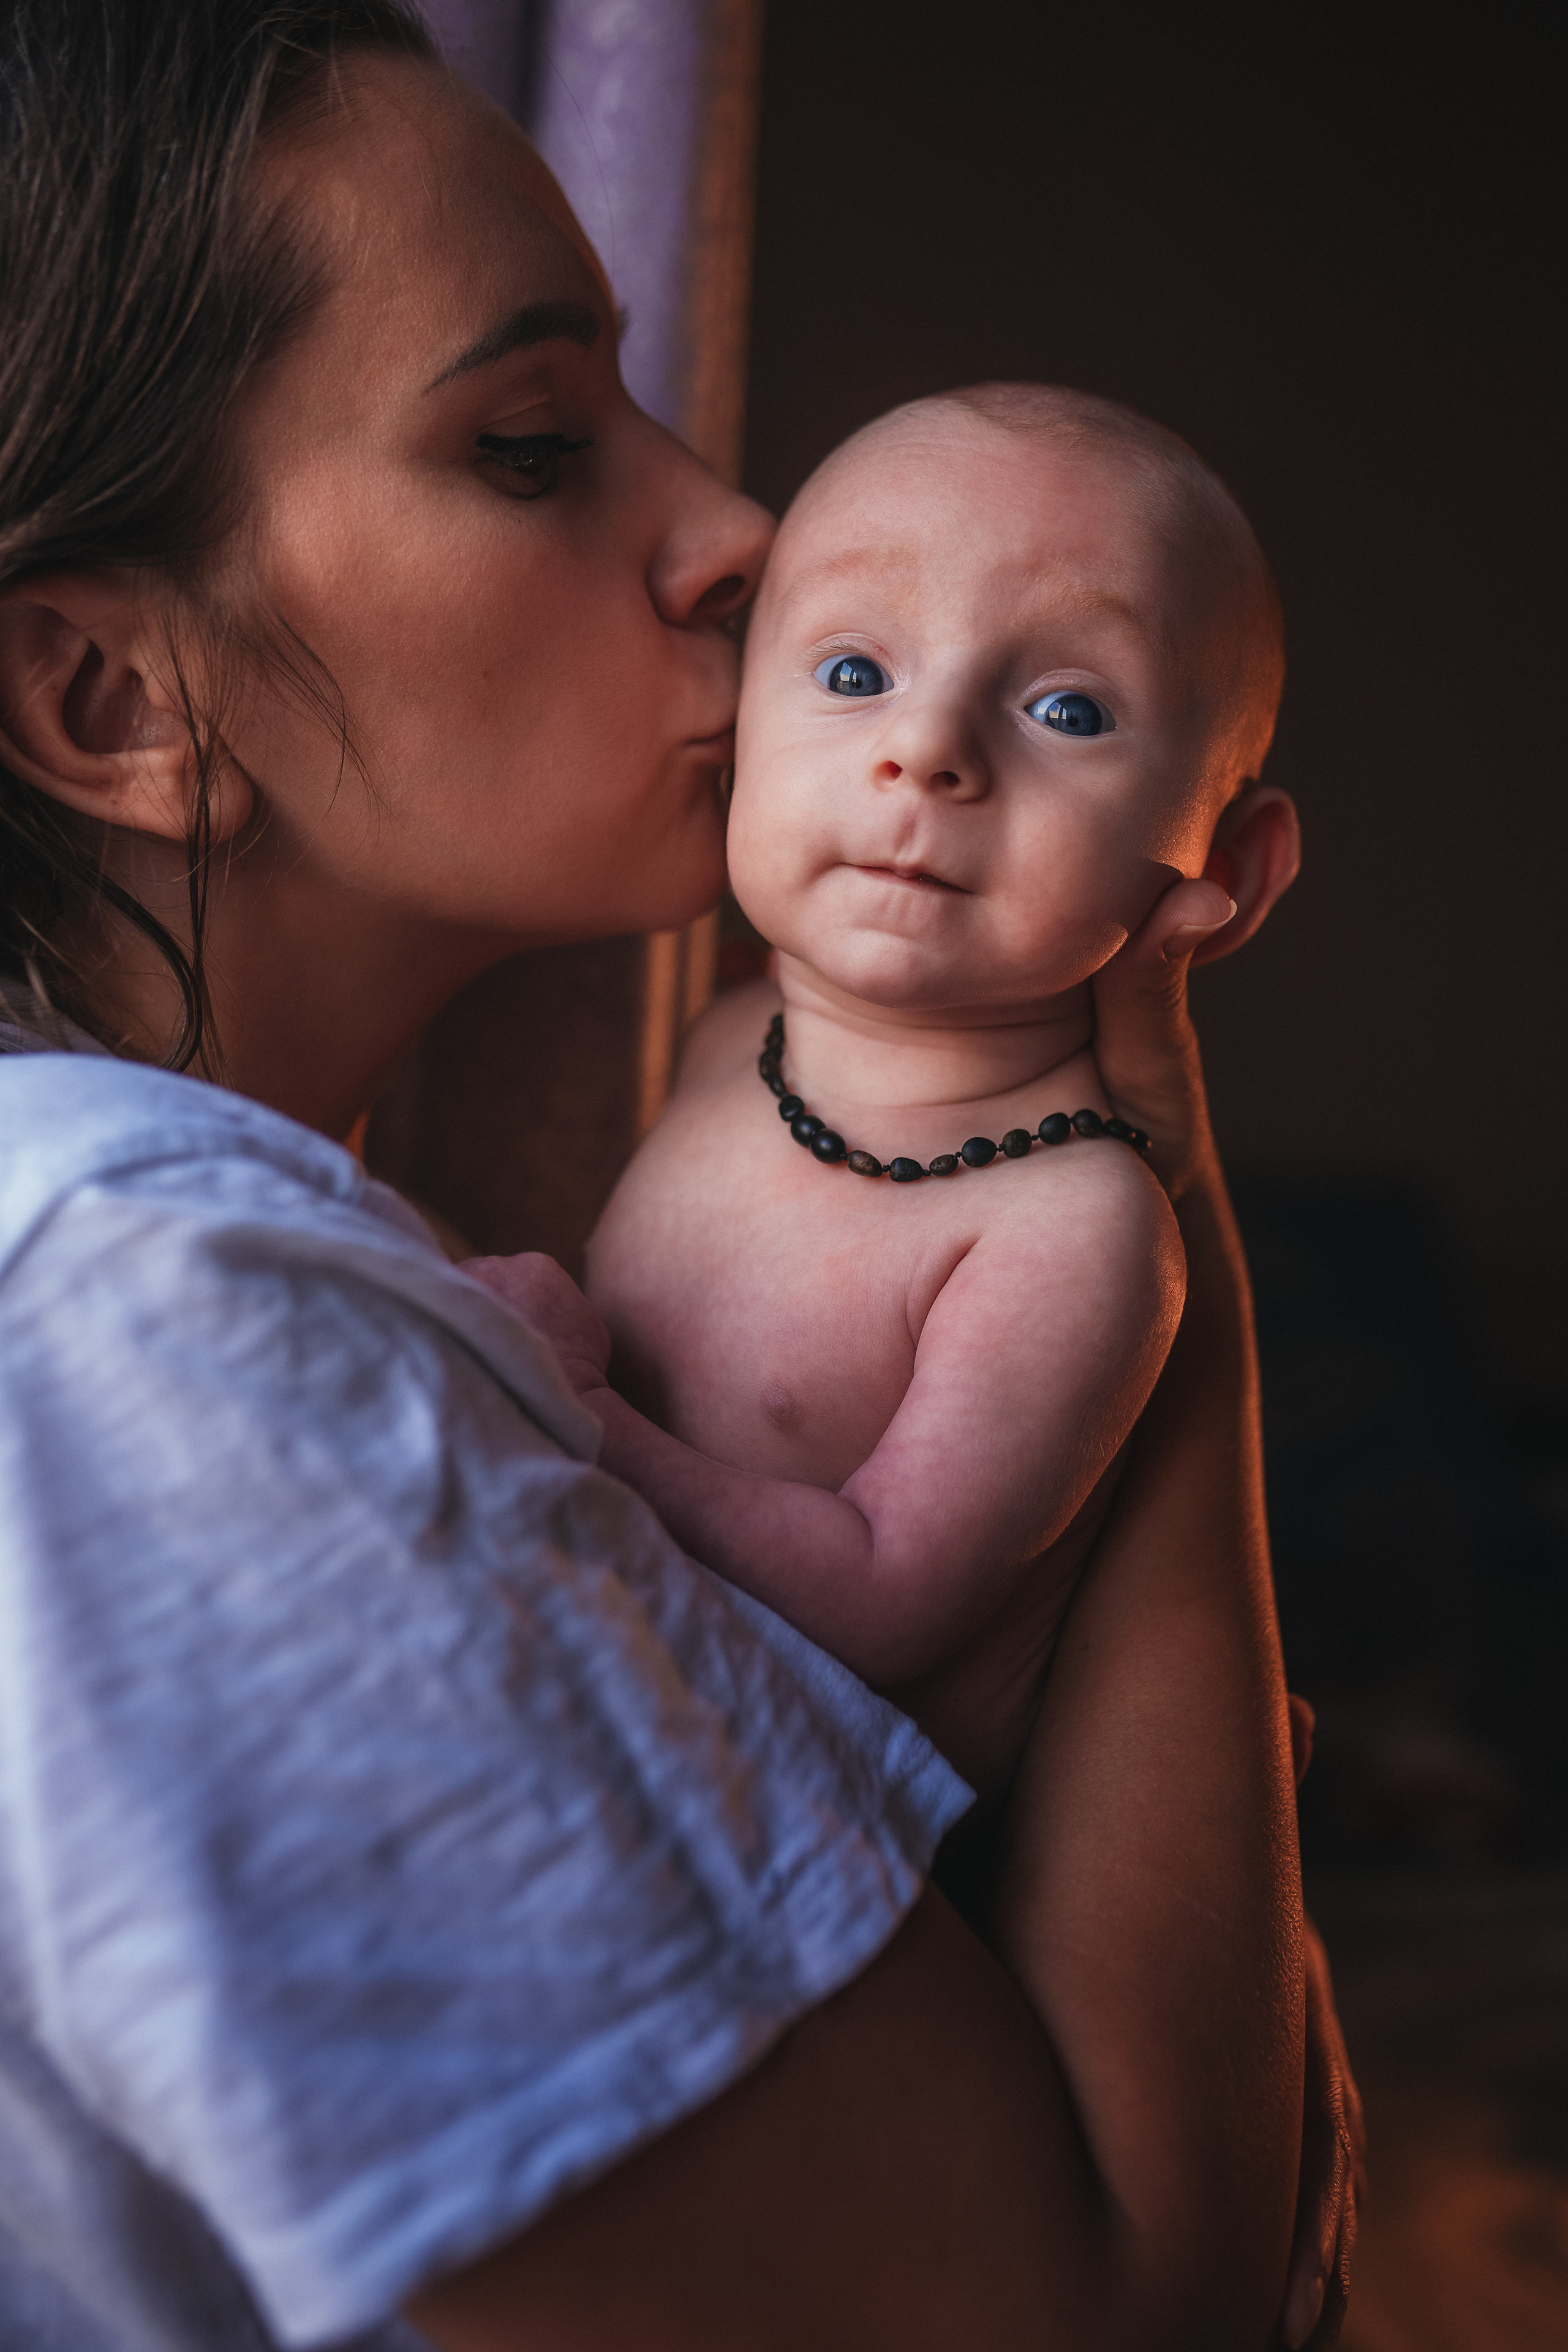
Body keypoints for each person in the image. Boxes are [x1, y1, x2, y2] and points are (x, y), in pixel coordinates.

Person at [0, 6, 1360, 2349]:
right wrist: (1145, 1196)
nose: (741, 532)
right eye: (531, 444)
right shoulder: (152, 1332)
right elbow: (1135, 2310)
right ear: (119, 702)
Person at [503, 385, 1300, 1801]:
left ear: (1223, 870)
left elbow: (882, 1597)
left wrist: (575, 1417)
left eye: (1066, 707)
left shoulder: (1076, 1227)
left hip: (838, 1865)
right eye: (855, 673)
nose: (925, 748)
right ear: (739, 725)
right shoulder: (722, 1040)